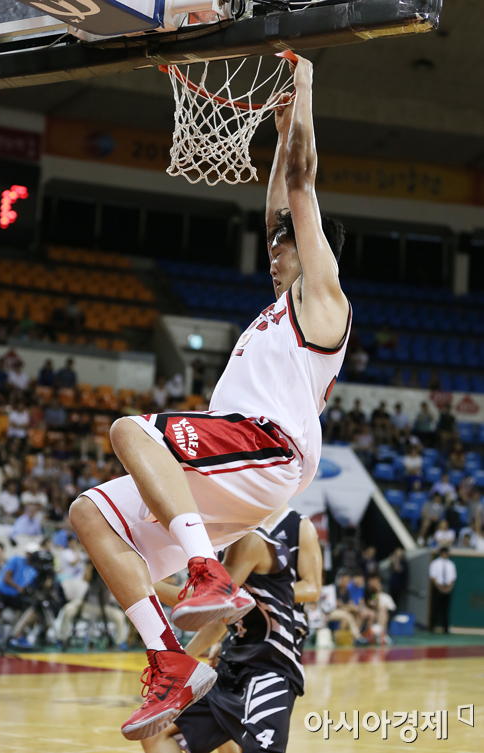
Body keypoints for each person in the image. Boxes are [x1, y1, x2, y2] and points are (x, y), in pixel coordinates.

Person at [69, 54, 350, 741]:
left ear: (312, 251)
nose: (275, 246)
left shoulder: (325, 300)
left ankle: (204, 571)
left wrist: (305, 90)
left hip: (273, 445)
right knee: (89, 514)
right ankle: (168, 656)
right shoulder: (277, 308)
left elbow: (302, 185)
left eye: (287, 239)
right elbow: (278, 198)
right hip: (234, 463)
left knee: (133, 430)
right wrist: (280, 132)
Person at [141, 506, 321, 753]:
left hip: (270, 660)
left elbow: (313, 588)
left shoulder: (273, 533)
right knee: (158, 734)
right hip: (237, 650)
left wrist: (142, 582)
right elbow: (218, 616)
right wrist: (185, 659)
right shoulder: (229, 541)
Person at [0, 542, 39, 647]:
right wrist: (18, 587)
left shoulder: (33, 570)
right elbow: (6, 578)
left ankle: (19, 637)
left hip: (13, 595)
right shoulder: (16, 560)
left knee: (29, 611)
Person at [429, 547, 457, 633]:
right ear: (441, 553)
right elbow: (433, 577)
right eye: (444, 553)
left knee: (446, 609)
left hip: (447, 588)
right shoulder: (435, 563)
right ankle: (432, 627)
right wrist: (440, 587)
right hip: (438, 588)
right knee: (435, 608)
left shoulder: (451, 564)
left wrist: (448, 588)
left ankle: (445, 628)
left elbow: (453, 578)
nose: (445, 554)